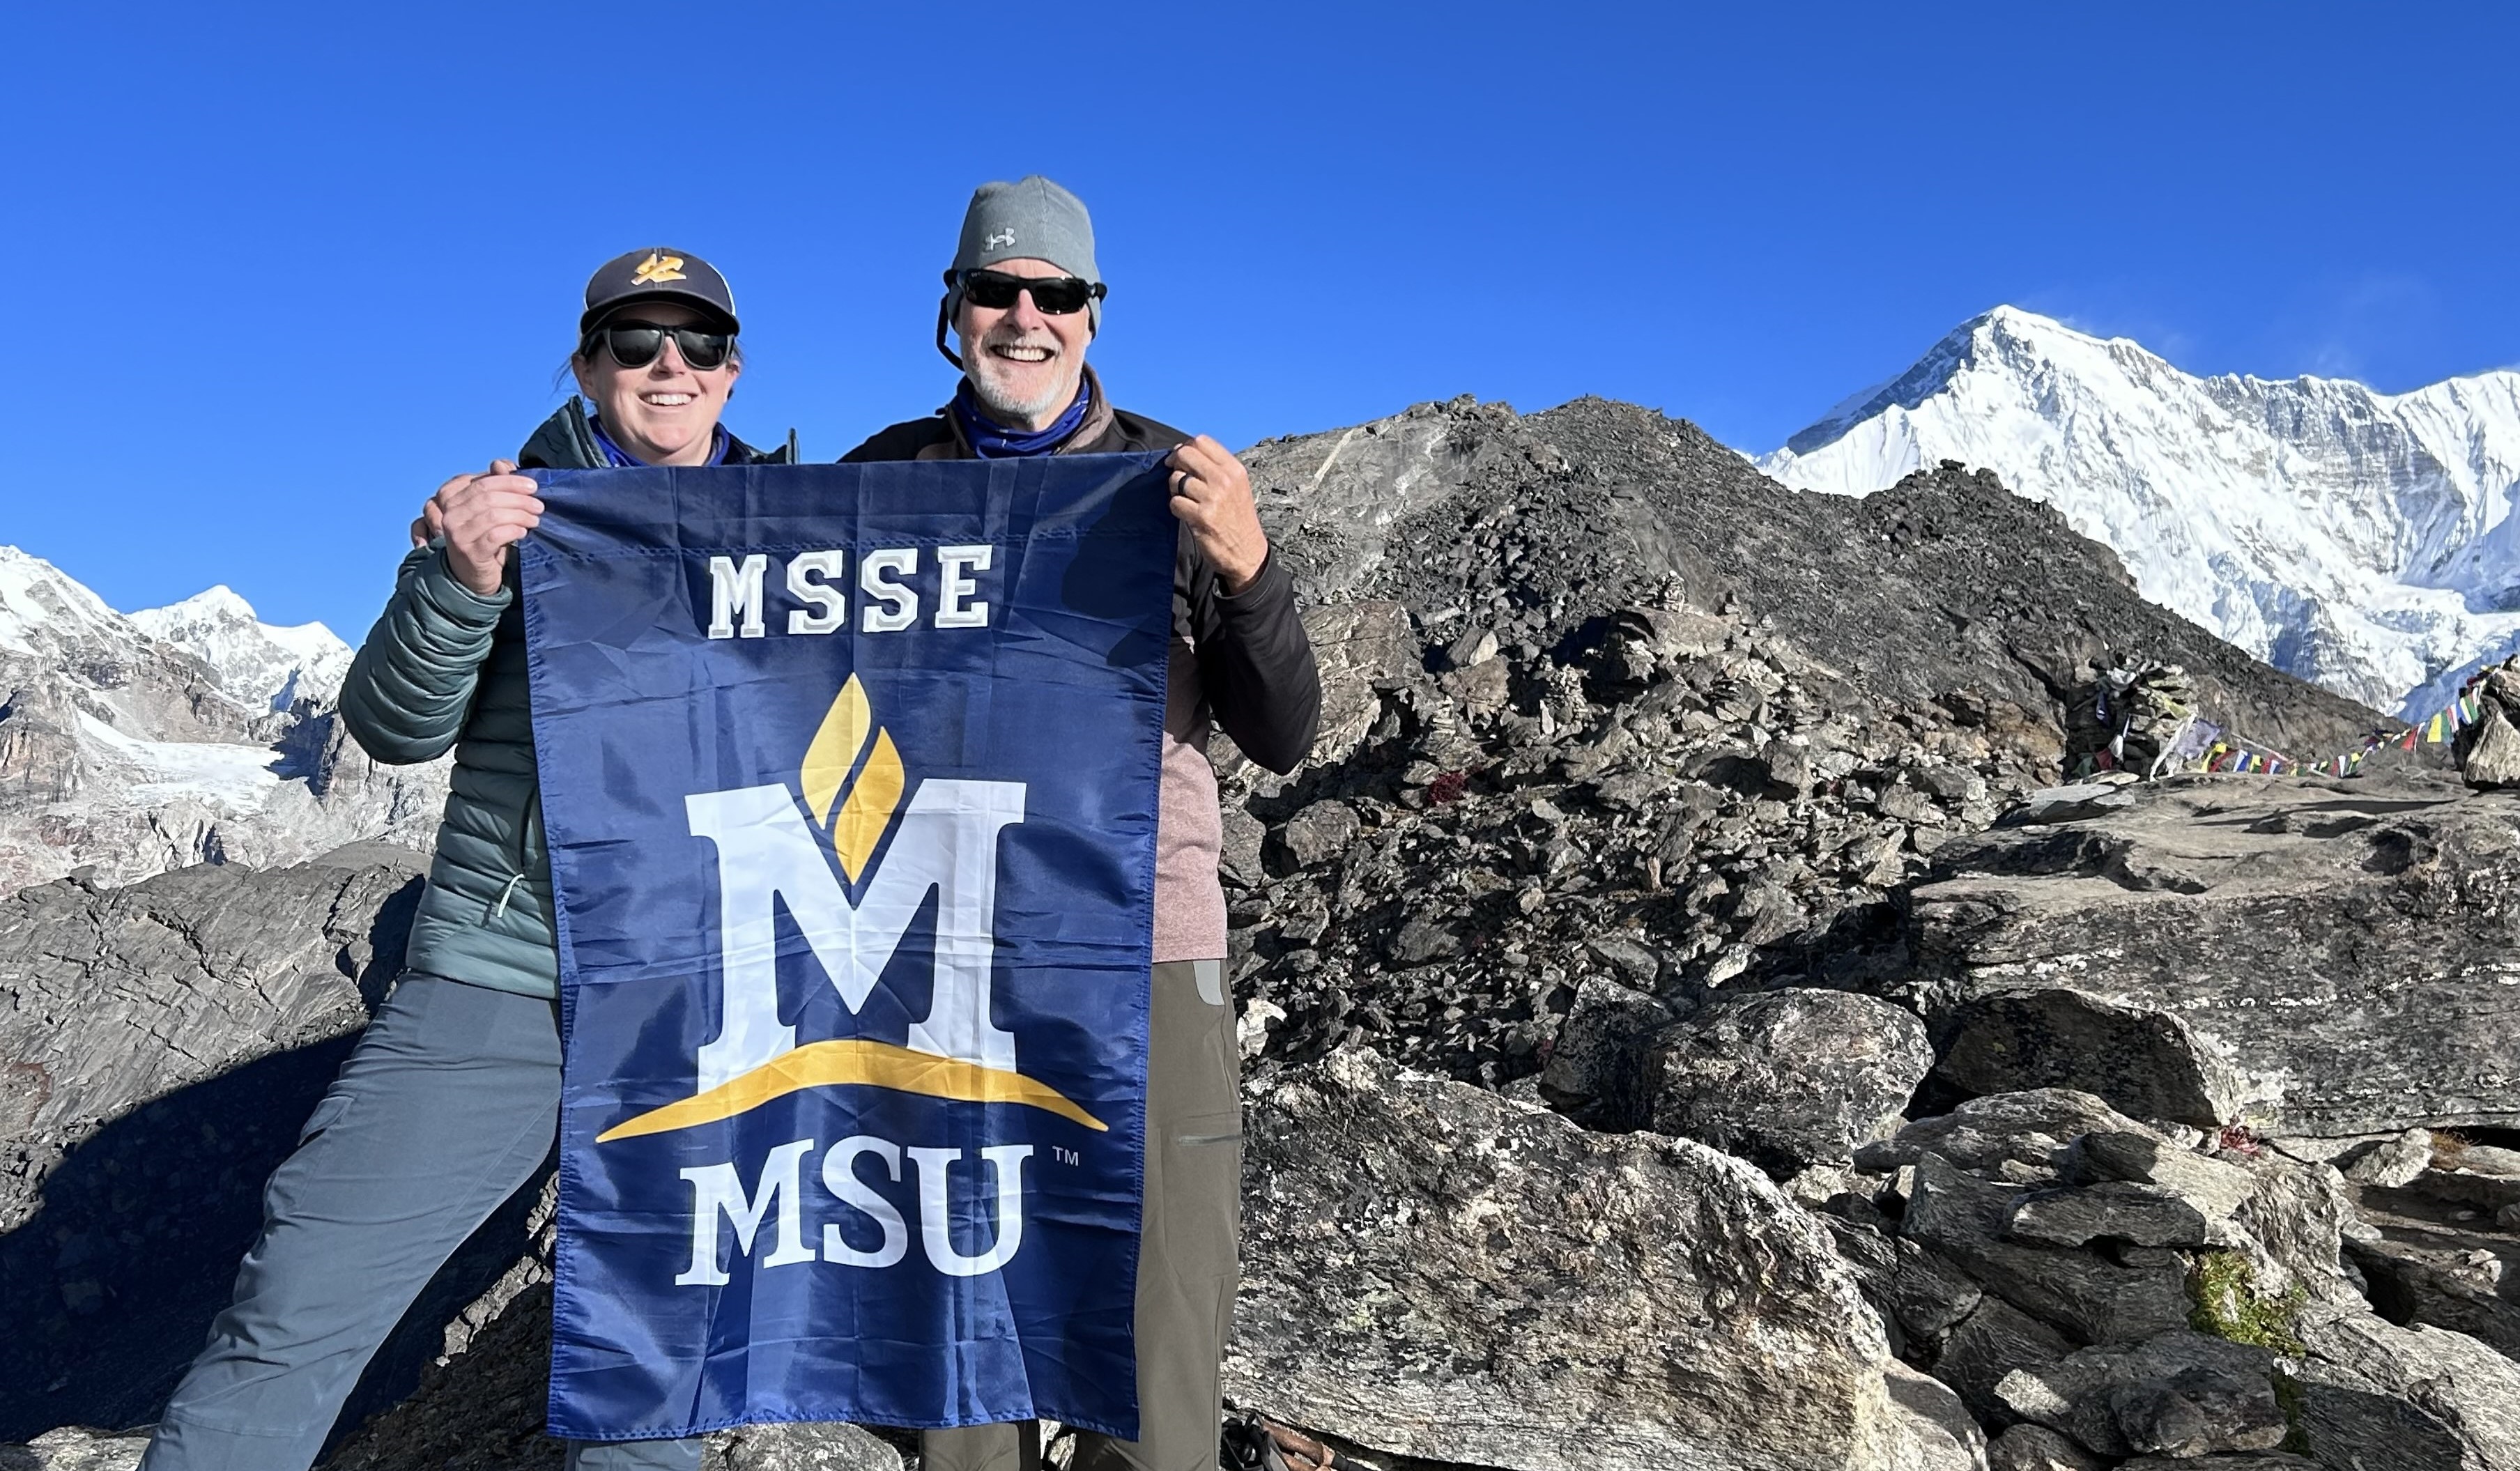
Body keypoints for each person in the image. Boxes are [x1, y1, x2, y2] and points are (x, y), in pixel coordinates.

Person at [140, 247, 789, 1471]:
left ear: (731, 373)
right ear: (590, 364)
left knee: (658, 1372)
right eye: (637, 340)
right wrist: (459, 581)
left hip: (706, 998)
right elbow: (389, 728)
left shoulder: (797, 529)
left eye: (697, 343)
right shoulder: (501, 513)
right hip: (499, 968)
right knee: (302, 1295)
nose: (669, 364)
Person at [843, 175, 1322, 1471]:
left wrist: (1250, 569)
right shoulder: (879, 481)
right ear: (953, 309)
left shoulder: (1169, 484)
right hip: (941, 949)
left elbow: (1284, 734)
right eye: (996, 290)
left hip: (1144, 935)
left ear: (1092, 317)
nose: (1024, 317)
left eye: (1055, 294)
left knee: (1165, 1301)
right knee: (958, 1295)